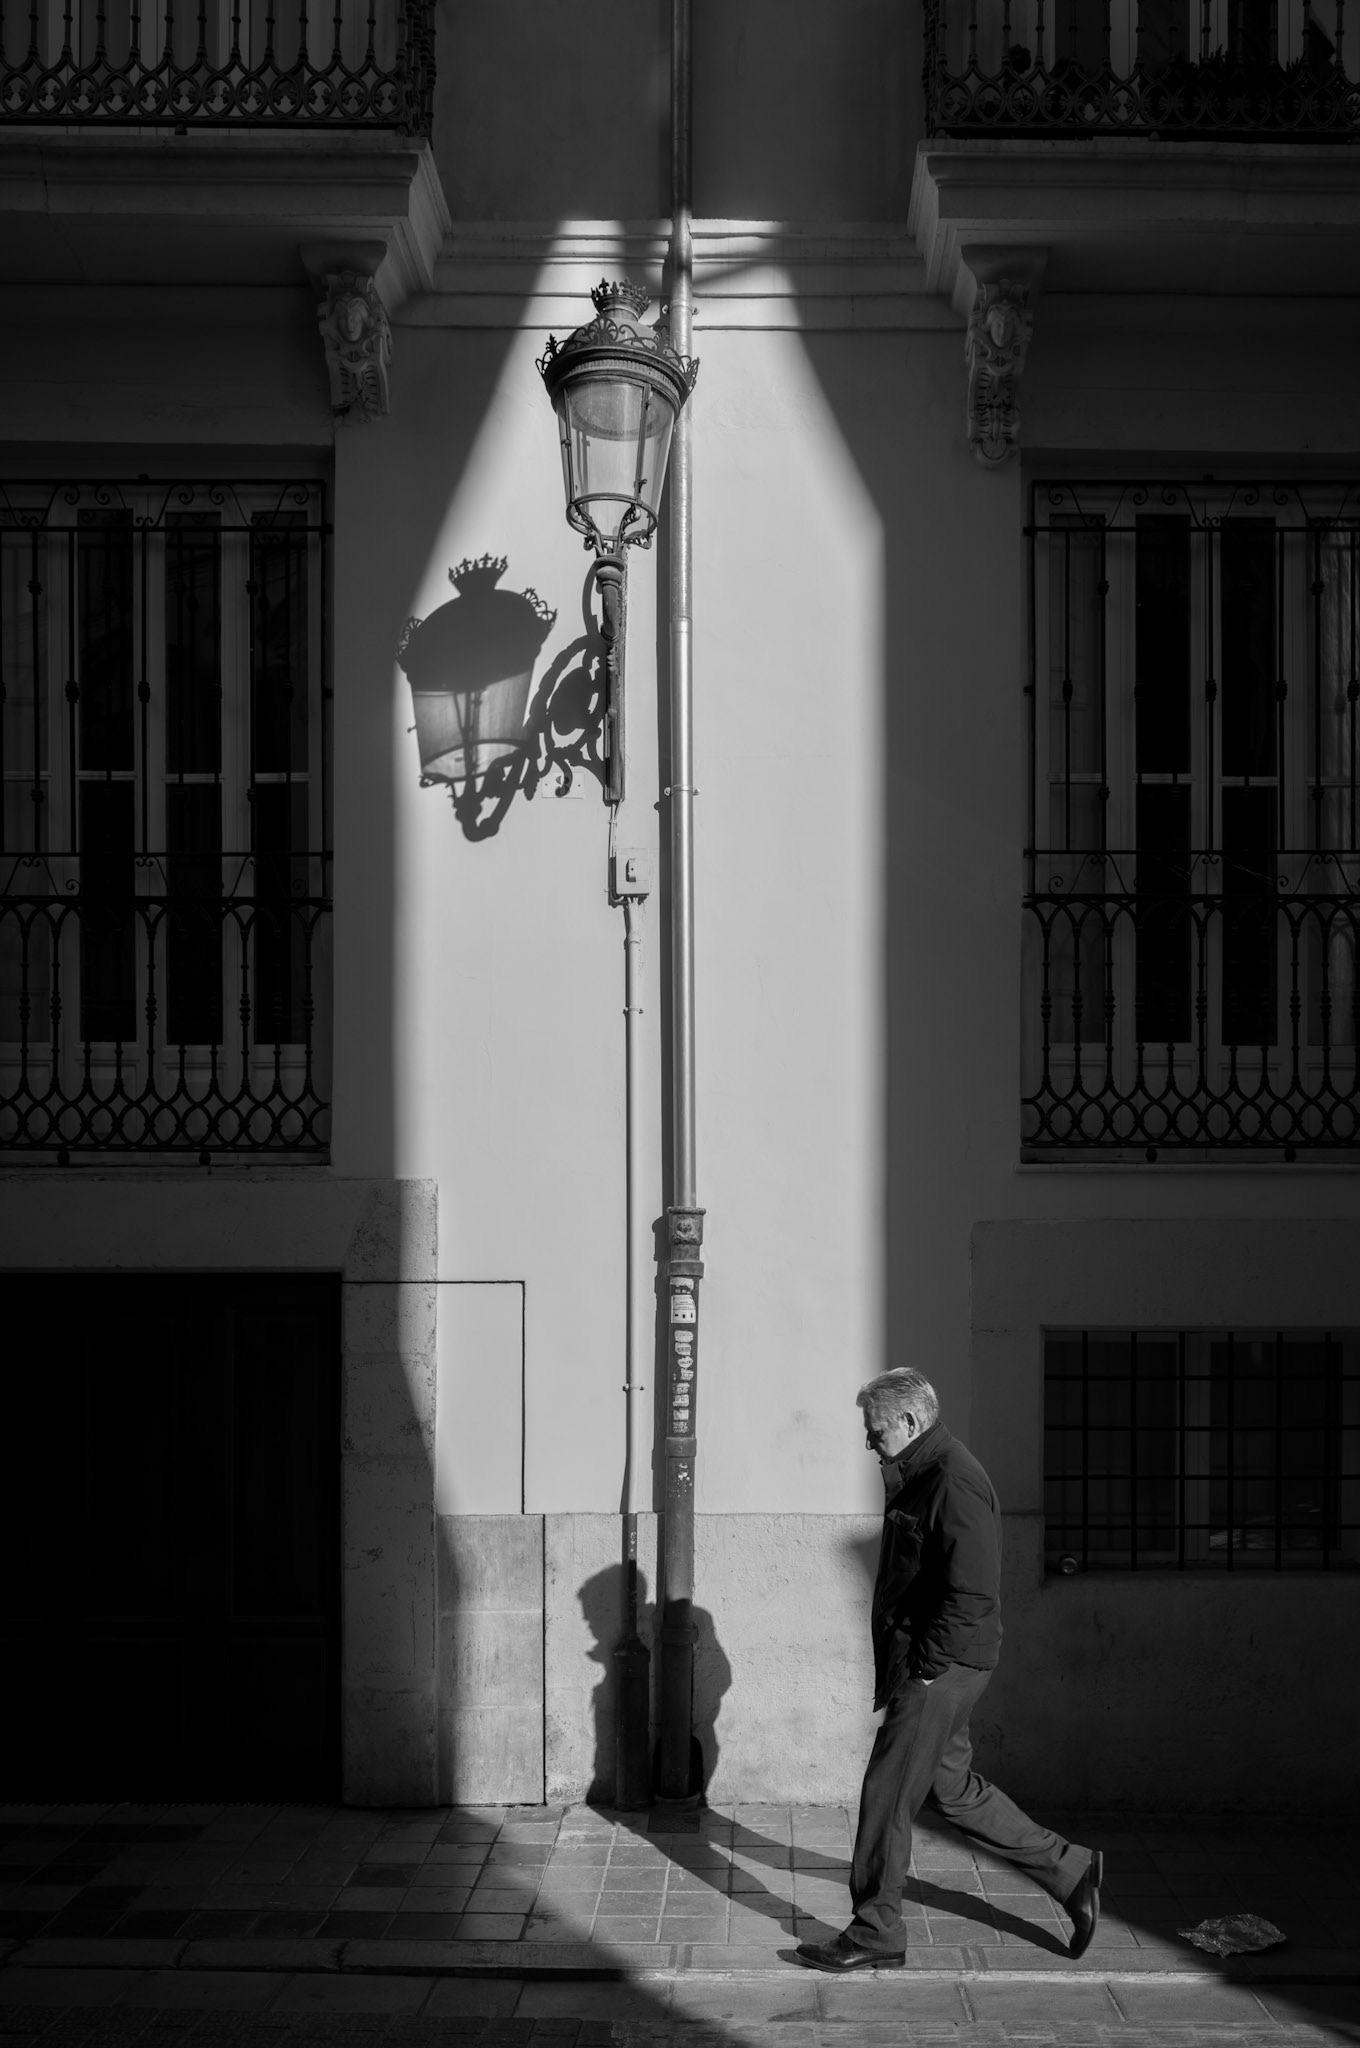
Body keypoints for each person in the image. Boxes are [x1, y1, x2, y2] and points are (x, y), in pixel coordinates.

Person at [794, 1367, 1102, 1974]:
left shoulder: (953, 1479)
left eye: (874, 1429)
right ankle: (1070, 1869)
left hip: (943, 1666)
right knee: (949, 1789)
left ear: (909, 1423)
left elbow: (974, 1591)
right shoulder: (923, 1471)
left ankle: (876, 1929)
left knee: (887, 1792)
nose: (867, 1442)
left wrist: (930, 1670)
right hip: (945, 1661)